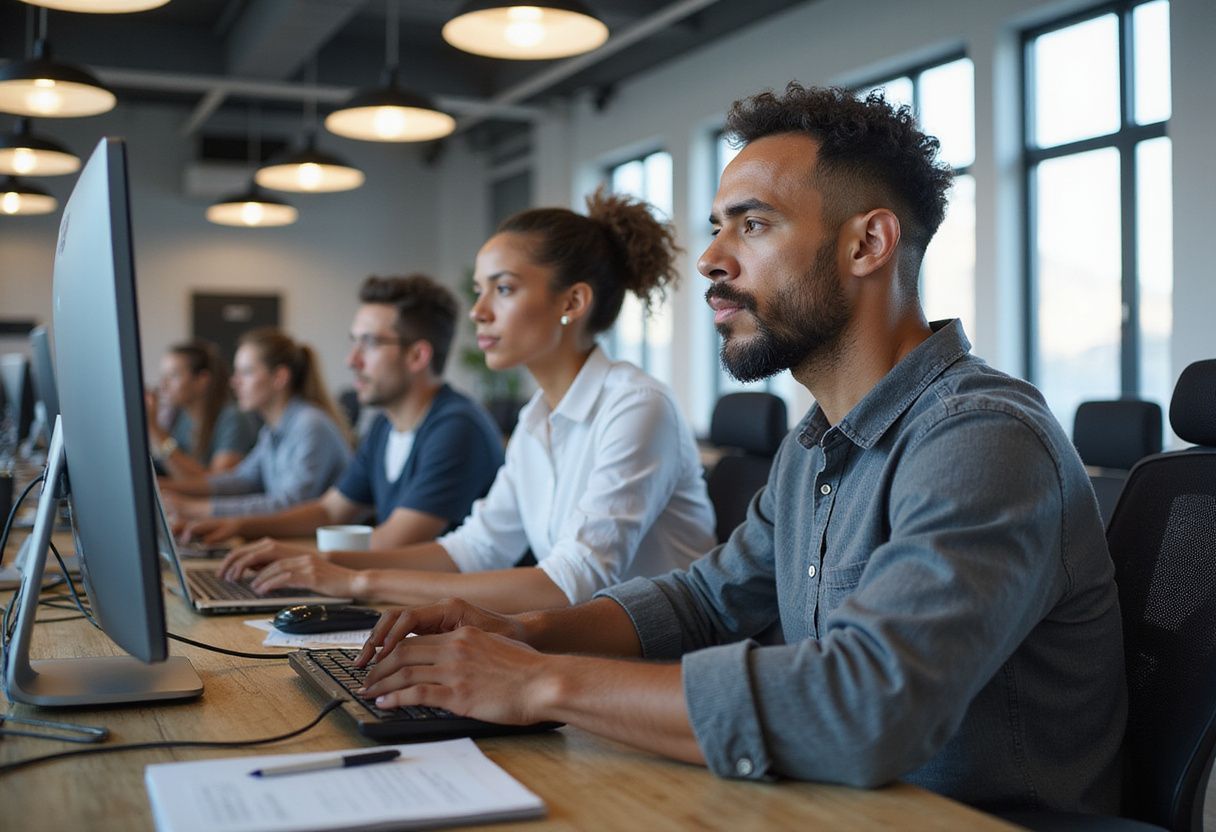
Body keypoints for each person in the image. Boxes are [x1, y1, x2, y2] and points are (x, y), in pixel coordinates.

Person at [348, 85, 1127, 815]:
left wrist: (538, 682)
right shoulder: (814, 446)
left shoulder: (983, 439)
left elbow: (864, 705)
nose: (713, 260)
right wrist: (522, 632)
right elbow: (706, 598)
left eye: (752, 225)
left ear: (868, 244)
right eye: (716, 227)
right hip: (826, 805)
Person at [217, 191, 717, 614]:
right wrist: (328, 563)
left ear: (572, 303)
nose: (478, 312)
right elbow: (476, 548)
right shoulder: (537, 420)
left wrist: (357, 583)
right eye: (480, 291)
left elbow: (568, 585)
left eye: (503, 289)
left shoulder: (637, 407)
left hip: (663, 673)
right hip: (582, 653)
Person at [182, 275, 504, 550]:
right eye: (354, 342)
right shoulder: (384, 427)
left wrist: (294, 558)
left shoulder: (456, 427)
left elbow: (394, 541)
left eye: (370, 343)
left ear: (417, 355)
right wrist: (238, 526)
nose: (352, 360)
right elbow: (330, 512)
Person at [160, 328, 353, 519]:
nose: (234, 382)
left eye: (246, 372)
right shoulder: (271, 430)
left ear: (279, 378)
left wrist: (197, 509)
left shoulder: (310, 425)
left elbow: (292, 503)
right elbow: (243, 480)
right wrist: (164, 486)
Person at [149, 340, 258, 478]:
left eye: (173, 375)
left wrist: (155, 430)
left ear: (202, 380)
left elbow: (218, 483)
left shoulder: (232, 419)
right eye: (163, 376)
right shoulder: (180, 417)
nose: (163, 385)